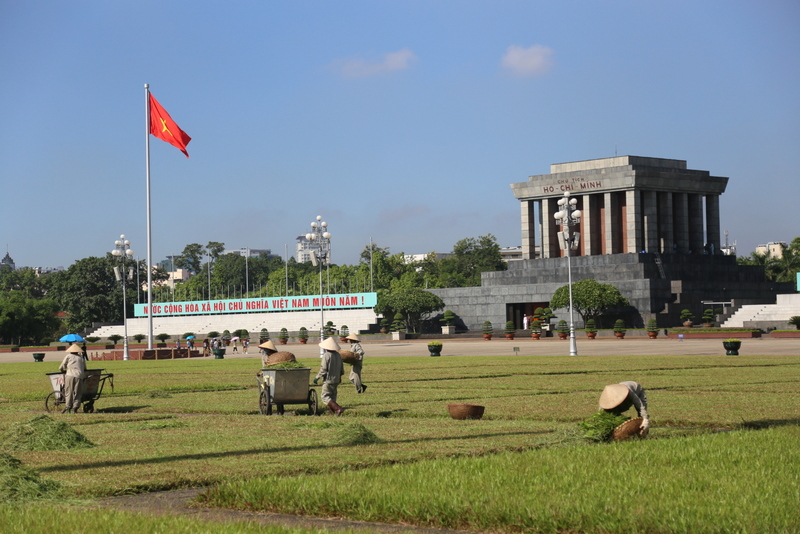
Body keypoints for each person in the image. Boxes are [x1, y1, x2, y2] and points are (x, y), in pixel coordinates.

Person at [312, 337, 345, 415]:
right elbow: (342, 368)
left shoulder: (327, 355)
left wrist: (317, 377)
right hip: (336, 379)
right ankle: (332, 412)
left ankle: (338, 409)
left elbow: (324, 369)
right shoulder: (338, 355)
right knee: (333, 396)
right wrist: (340, 376)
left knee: (325, 397)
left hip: (328, 380)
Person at [59, 344, 86, 414]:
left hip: (70, 376)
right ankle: (75, 408)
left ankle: (68, 408)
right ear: (78, 351)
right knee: (78, 393)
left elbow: (62, 367)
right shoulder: (81, 358)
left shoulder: (68, 356)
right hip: (79, 376)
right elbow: (85, 368)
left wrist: (63, 370)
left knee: (69, 392)